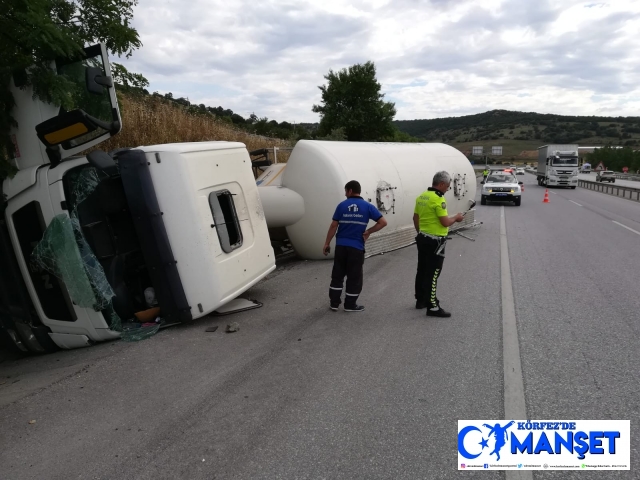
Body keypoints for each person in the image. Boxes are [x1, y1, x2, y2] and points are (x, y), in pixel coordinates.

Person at [323, 180, 387, 312]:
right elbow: (383, 222)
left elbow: (333, 226)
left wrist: (327, 243)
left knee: (337, 276)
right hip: (356, 248)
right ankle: (350, 305)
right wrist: (368, 231)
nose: (345, 194)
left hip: (341, 247)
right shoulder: (367, 207)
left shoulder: (341, 206)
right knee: (354, 277)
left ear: (350, 190)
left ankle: (334, 303)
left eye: (346, 191)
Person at [413, 171, 464, 317]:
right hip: (435, 241)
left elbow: (415, 218)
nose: (447, 189)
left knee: (422, 270)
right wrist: (457, 218)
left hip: (422, 237)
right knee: (434, 273)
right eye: (447, 187)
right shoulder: (438, 199)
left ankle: (421, 300)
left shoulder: (421, 196)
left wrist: (420, 233)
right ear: (441, 184)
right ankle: (433, 306)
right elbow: (445, 222)